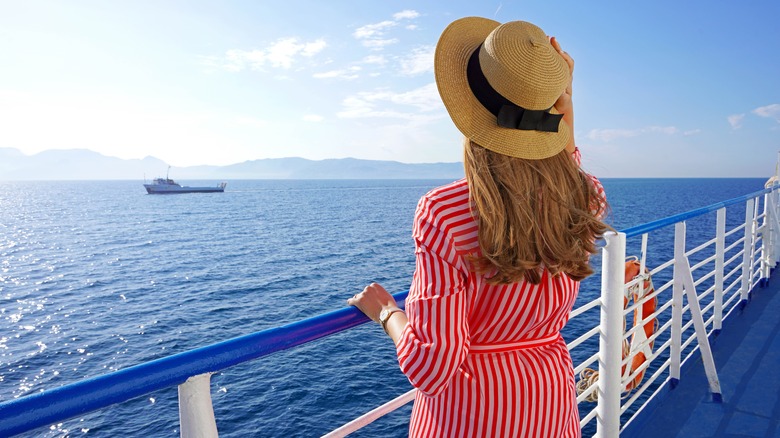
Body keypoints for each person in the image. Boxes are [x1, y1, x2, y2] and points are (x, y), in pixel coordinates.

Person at [347, 17, 608, 437]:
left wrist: (387, 312)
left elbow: (431, 367)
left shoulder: (444, 212)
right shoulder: (584, 197)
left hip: (470, 415)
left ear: (466, 109)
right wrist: (562, 105)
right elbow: (567, 167)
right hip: (549, 406)